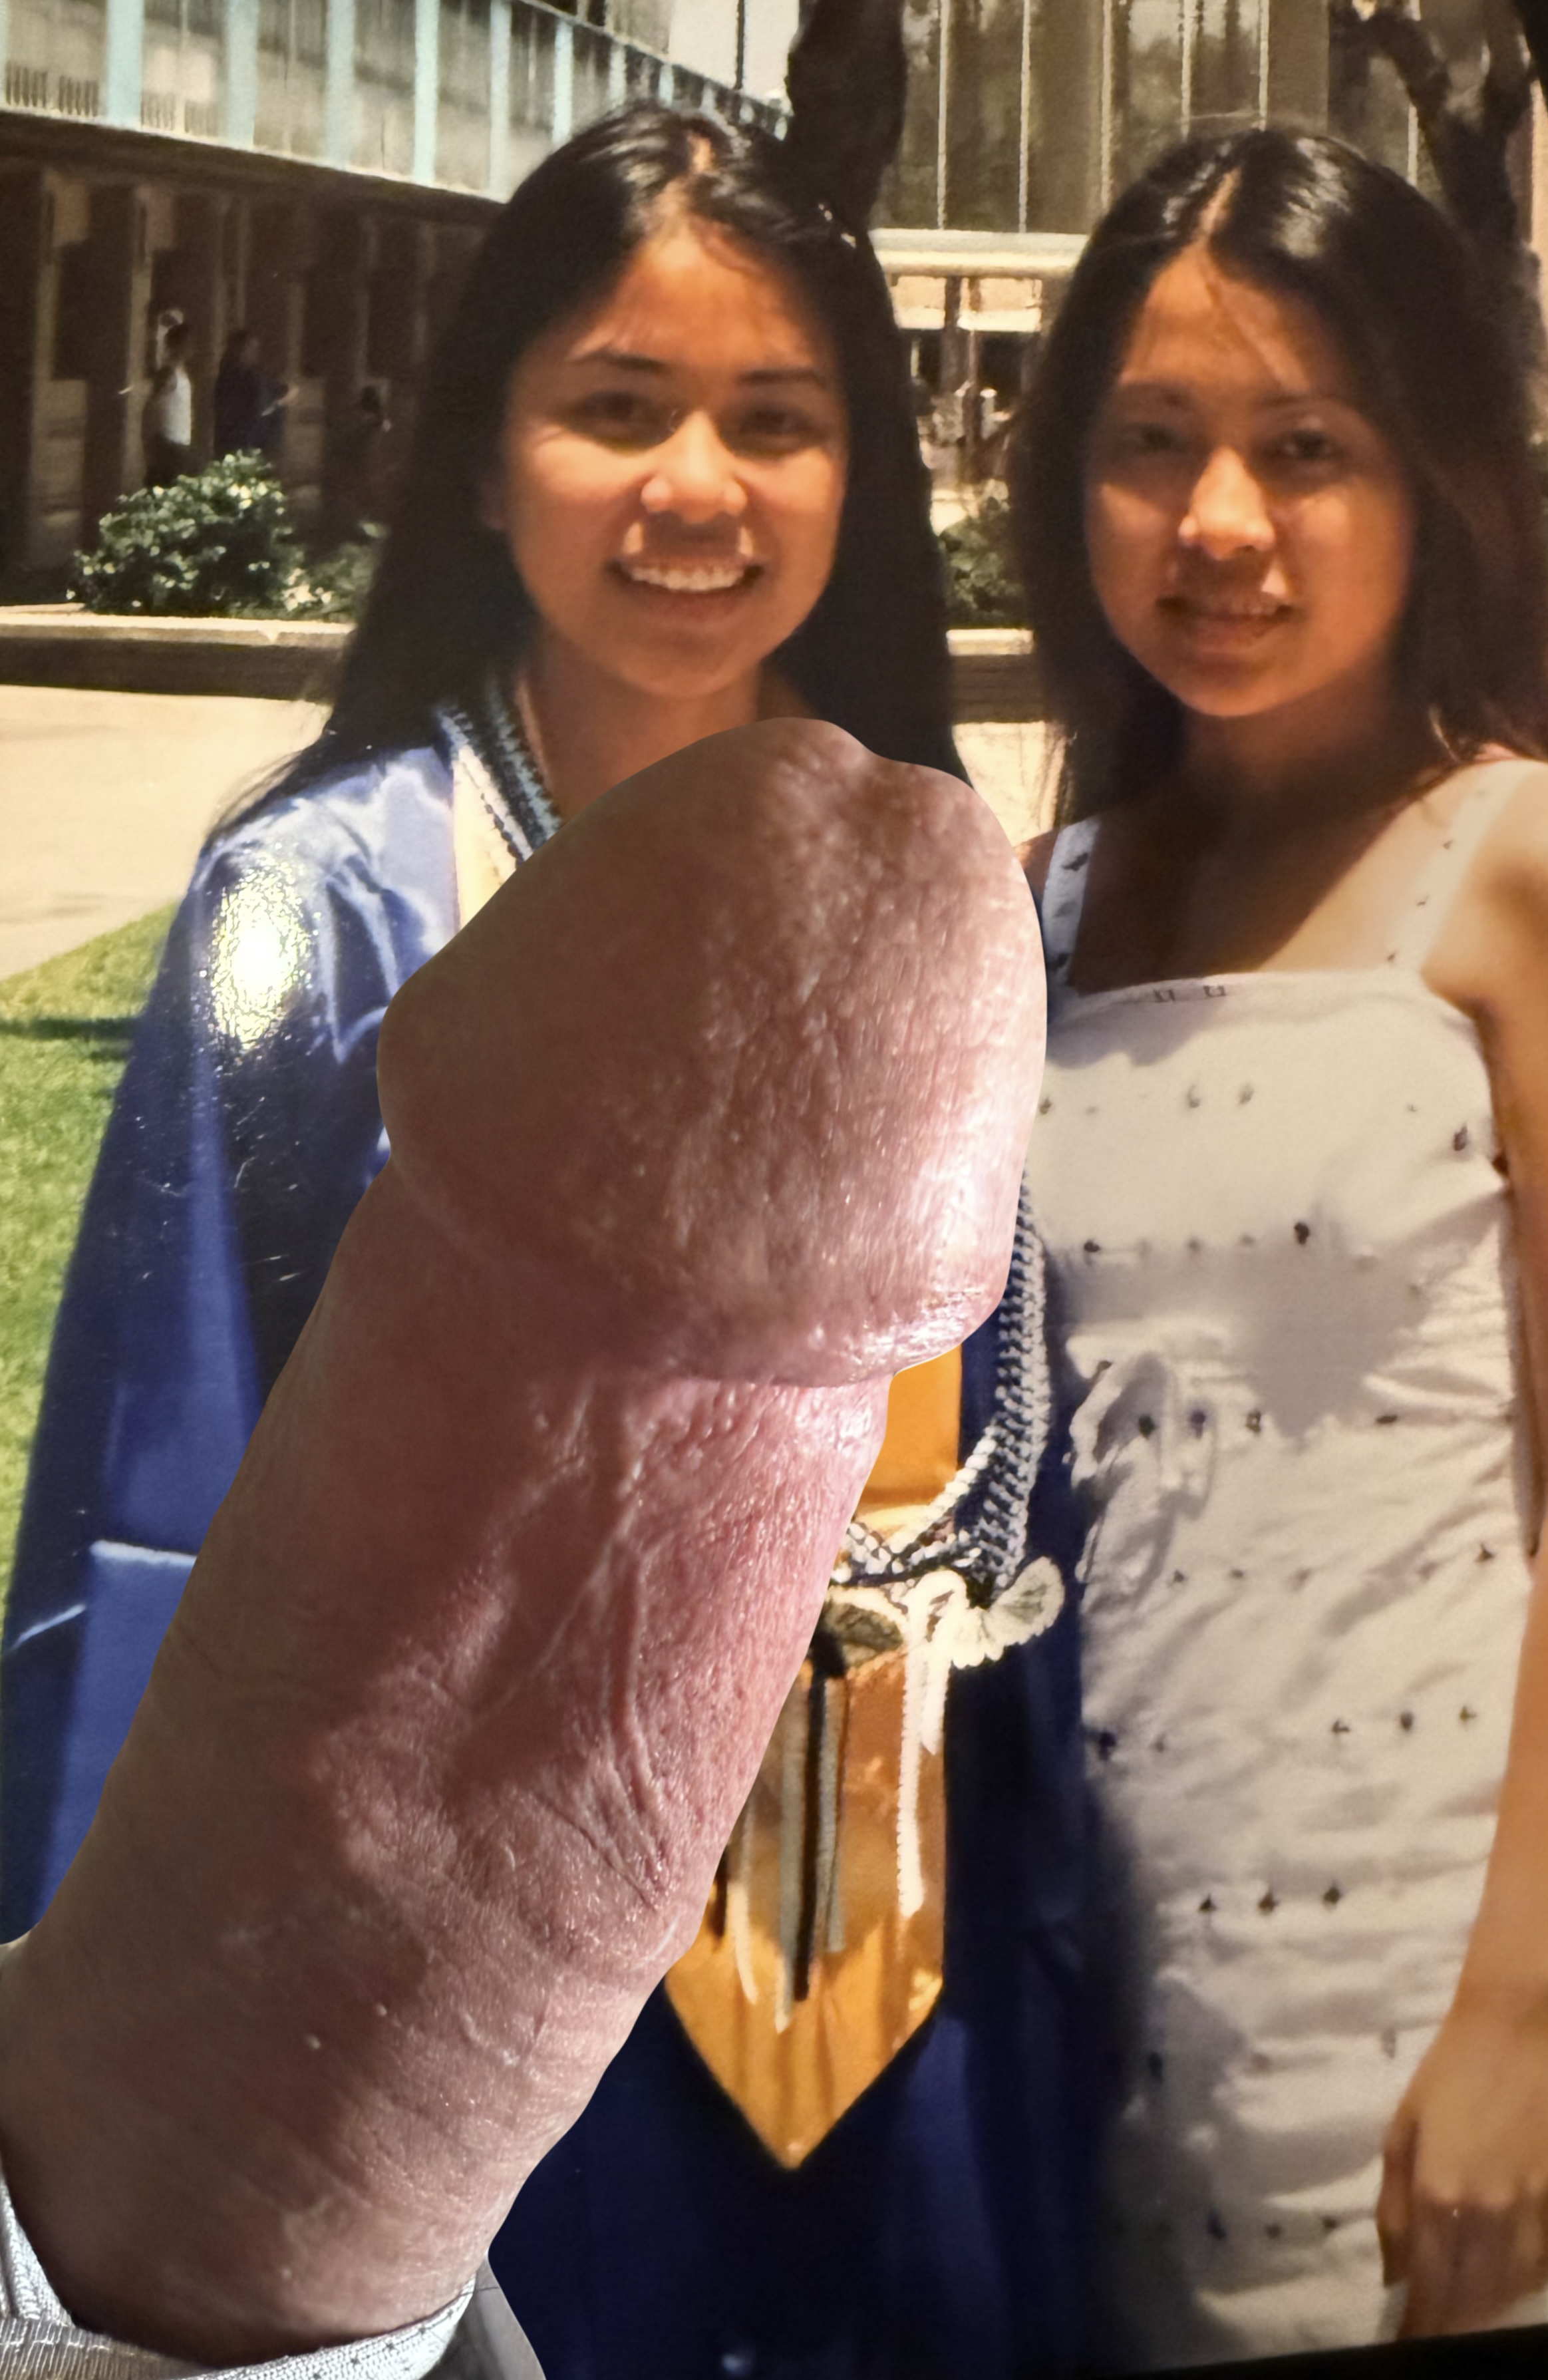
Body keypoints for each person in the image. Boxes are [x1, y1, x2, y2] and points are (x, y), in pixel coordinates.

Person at [2, 96, 1086, 2380]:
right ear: (486, 459)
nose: (697, 483)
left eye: (774, 418)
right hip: (452, 2001)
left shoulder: (940, 905)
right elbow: (150, 1529)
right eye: (617, 405)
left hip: (905, 1944)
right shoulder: (327, 910)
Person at [0, 719, 1046, 2379]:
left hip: (887, 1882)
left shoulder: (974, 933)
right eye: (614, 431)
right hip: (398, 1870)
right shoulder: (341, 875)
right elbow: (165, 1425)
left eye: (775, 436)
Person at [1006, 127, 1548, 2364]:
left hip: (1434, 1963)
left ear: (1434, 480)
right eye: (1150, 443)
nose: (1217, 521)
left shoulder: (1529, 869)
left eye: (1302, 447)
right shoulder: (1041, 907)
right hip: (1109, 1976)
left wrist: (1514, 2008)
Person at [212, 329, 283, 459]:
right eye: (250, 349)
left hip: (253, 440)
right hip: (239, 441)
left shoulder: (256, 375)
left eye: (255, 350)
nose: (254, 354)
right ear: (239, 350)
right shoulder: (232, 377)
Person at [142, 317, 195, 485]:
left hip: (181, 442)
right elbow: (151, 407)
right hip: (168, 444)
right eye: (187, 343)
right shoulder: (167, 374)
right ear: (176, 346)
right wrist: (149, 444)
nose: (191, 348)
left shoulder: (182, 373)